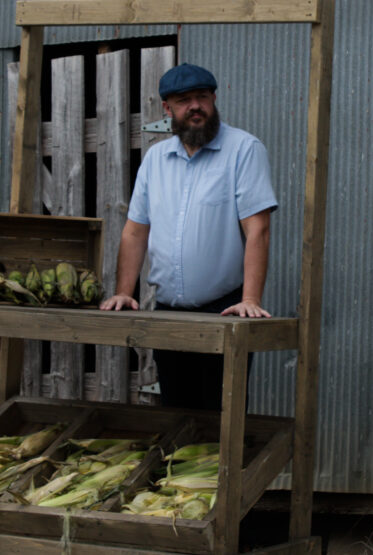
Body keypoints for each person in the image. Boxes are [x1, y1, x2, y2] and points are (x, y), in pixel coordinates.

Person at [99, 63, 277, 410]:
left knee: (222, 416)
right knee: (176, 414)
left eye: (202, 97)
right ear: (168, 109)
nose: (195, 106)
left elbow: (258, 229)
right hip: (167, 315)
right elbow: (135, 231)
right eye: (184, 100)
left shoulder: (244, 150)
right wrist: (124, 292)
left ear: (214, 99)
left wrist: (250, 300)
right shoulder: (155, 160)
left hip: (225, 311)